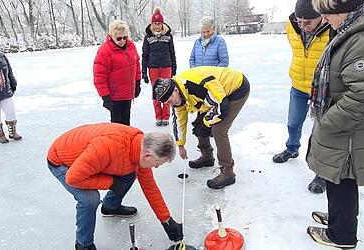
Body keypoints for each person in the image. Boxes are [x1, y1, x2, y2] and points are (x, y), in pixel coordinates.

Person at [306, 0, 364, 248]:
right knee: (336, 177)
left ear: (343, 10)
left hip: (350, 131)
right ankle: (339, 220)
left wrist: (329, 121)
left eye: (327, 14)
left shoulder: (363, 39)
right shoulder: (353, 30)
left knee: (341, 178)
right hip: (349, 128)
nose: (324, 20)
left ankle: (341, 235)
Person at [47, 123, 183, 250]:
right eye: (158, 163)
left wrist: (166, 220)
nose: (157, 167)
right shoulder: (107, 147)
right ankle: (83, 244)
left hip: (89, 161)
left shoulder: (140, 148)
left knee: (130, 173)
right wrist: (111, 183)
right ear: (148, 155)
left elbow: (149, 186)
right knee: (90, 199)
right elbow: (72, 178)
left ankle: (110, 207)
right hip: (62, 162)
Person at [152, 66, 250, 189]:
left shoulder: (196, 86)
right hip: (216, 95)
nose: (171, 104)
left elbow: (221, 106)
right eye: (167, 103)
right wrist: (180, 145)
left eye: (170, 100)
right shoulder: (177, 98)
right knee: (200, 124)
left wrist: (206, 123)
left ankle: (228, 171)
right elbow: (179, 121)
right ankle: (207, 156)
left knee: (219, 130)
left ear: (176, 90)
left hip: (236, 88)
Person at [272, 0, 330, 194]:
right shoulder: (292, 25)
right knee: (293, 122)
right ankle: (292, 148)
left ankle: (321, 171)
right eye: (300, 21)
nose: (303, 26)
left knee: (322, 132)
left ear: (321, 17)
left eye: (308, 22)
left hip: (323, 89)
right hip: (298, 84)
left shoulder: (332, 29)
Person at [93, 20, 141, 125]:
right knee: (116, 125)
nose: (122, 41)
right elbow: (99, 76)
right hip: (114, 96)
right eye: (119, 38)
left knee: (126, 123)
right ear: (112, 36)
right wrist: (105, 97)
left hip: (127, 94)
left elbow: (136, 65)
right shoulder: (105, 51)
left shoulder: (131, 46)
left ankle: (126, 141)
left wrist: (137, 83)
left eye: (125, 37)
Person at [142, 7, 177, 127]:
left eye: (159, 24)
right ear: (152, 24)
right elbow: (145, 55)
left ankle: (166, 116)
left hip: (166, 66)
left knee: (167, 91)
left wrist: (174, 67)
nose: (157, 26)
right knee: (156, 92)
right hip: (153, 68)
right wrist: (144, 71)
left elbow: (172, 52)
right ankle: (158, 116)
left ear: (162, 24)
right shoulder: (148, 38)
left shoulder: (168, 36)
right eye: (155, 24)